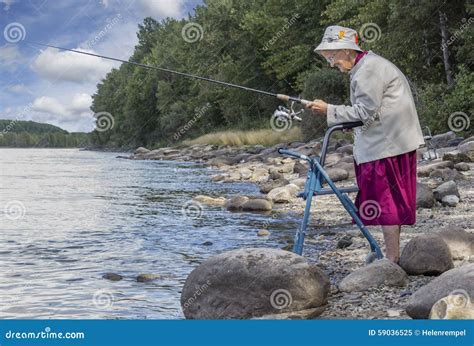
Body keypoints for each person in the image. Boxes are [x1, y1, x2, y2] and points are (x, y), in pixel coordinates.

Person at [309, 25, 425, 263]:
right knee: (388, 202)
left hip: (386, 146)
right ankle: (393, 256)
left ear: (346, 50)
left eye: (331, 56)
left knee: (385, 203)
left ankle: (391, 259)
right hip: (393, 142)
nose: (331, 63)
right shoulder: (368, 65)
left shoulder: (367, 70)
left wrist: (328, 110)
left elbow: (365, 112)